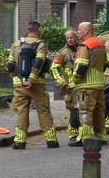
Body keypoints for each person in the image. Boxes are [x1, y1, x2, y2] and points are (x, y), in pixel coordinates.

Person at [6, 21, 58, 150]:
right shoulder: (41, 44)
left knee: (21, 112)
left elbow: (10, 65)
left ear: (28, 29)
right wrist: (31, 79)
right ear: (38, 29)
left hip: (19, 85)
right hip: (37, 84)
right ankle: (51, 140)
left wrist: (17, 80)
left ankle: (19, 141)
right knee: (43, 111)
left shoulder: (16, 44)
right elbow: (39, 62)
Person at [71, 21, 107, 145]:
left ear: (87, 31)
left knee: (85, 111)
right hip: (99, 84)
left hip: (85, 85)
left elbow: (82, 65)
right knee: (99, 111)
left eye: (79, 30)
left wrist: (74, 79)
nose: (77, 32)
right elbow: (106, 65)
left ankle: (87, 138)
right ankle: (101, 136)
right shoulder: (100, 44)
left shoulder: (84, 46)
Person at [50, 28, 81, 146]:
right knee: (73, 110)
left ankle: (83, 132)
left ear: (75, 37)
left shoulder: (81, 49)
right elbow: (54, 69)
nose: (70, 40)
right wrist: (62, 83)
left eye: (72, 37)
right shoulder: (62, 53)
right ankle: (73, 133)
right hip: (70, 86)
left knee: (83, 109)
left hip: (82, 85)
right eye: (68, 38)